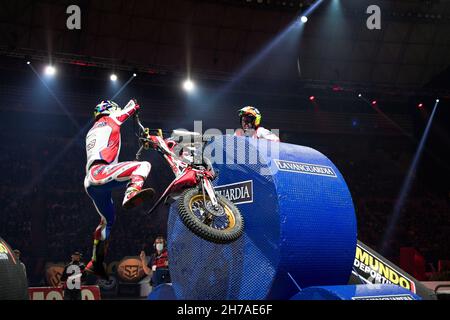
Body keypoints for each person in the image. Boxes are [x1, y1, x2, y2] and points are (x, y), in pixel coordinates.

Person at [84, 99, 155, 279]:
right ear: (110, 109)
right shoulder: (111, 118)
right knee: (143, 166)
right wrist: (134, 105)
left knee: (107, 221)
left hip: (91, 181)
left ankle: (95, 262)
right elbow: (131, 107)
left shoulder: (91, 130)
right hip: (102, 172)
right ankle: (130, 192)